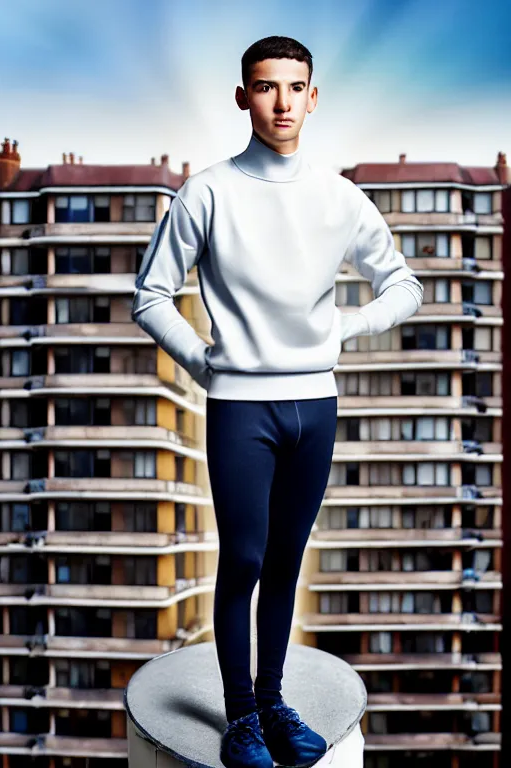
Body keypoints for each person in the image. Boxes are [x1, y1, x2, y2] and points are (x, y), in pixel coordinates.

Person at [132, 35, 423, 768]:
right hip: (240, 407)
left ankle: (273, 701)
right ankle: (241, 720)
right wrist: (204, 364)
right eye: (266, 87)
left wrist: (347, 327)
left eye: (296, 87)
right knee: (246, 559)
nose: (283, 102)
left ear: (313, 96)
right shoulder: (207, 191)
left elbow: (404, 285)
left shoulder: (338, 196)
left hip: (314, 405)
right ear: (243, 97)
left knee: (288, 561)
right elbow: (150, 295)